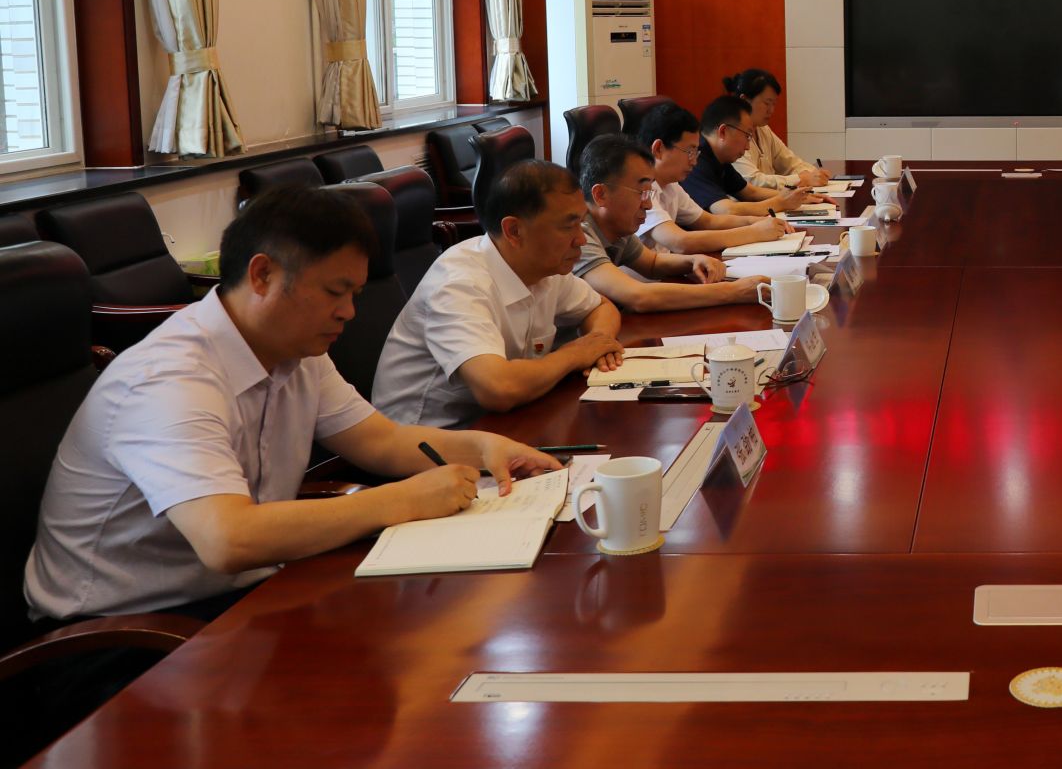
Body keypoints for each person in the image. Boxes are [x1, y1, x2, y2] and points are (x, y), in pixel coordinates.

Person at [27, 187, 561, 624]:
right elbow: (226, 539)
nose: (349, 312)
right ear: (262, 275)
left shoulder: (295, 351)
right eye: (334, 292)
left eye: (354, 294)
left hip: (243, 594)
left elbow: (381, 441)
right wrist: (401, 500)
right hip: (124, 635)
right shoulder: (169, 379)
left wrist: (484, 448)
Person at [373, 160, 625, 429]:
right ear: (514, 231)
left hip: (500, 421)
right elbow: (498, 389)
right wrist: (576, 354)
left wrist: (599, 345)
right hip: (427, 436)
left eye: (581, 223)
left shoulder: (544, 268)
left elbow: (601, 307)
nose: (581, 239)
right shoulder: (459, 284)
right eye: (568, 226)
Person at [575, 133, 772, 314]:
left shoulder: (617, 227)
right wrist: (734, 291)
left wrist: (692, 261)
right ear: (601, 194)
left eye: (649, 192)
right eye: (641, 192)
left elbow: (651, 263)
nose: (648, 204)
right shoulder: (578, 235)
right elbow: (638, 297)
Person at [634, 102, 795, 254]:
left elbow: (708, 221)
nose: (694, 161)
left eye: (696, 152)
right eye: (689, 152)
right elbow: (680, 242)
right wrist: (754, 232)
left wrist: (755, 222)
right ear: (659, 149)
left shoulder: (671, 185)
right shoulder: (640, 188)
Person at [684, 95, 826, 218]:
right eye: (747, 136)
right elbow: (727, 210)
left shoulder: (720, 157)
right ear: (723, 132)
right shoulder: (696, 158)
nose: (747, 146)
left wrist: (797, 196)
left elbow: (749, 192)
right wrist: (780, 202)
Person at [724, 69, 829, 190]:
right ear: (744, 100)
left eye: (774, 104)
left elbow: (790, 163)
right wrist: (800, 179)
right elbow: (752, 181)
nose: (771, 110)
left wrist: (812, 173)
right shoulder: (733, 134)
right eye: (767, 103)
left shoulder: (763, 129)